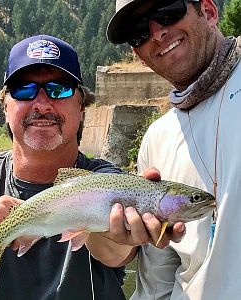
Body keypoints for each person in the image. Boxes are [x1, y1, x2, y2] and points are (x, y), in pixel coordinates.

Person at [0, 34, 130, 300]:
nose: (42, 104)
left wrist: (112, 235)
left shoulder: (108, 184)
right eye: (24, 89)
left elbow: (119, 251)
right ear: (5, 107)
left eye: (60, 89)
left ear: (82, 106)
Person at [103, 0, 241, 299]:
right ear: (138, 55)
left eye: (168, 11)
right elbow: (158, 278)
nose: (156, 33)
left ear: (209, 10)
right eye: (139, 32)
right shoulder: (156, 138)